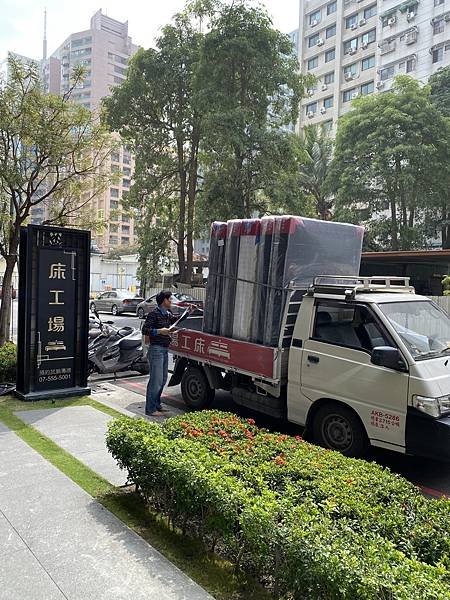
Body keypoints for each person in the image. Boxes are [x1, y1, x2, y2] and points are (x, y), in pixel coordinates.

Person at [142, 291, 195, 416]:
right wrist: (160, 331)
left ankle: (157, 404)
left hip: (164, 349)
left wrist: (188, 311)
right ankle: (150, 409)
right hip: (156, 350)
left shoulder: (167, 314)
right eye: (169, 299)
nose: (171, 301)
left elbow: (176, 320)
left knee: (163, 379)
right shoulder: (153, 314)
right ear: (164, 301)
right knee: (156, 380)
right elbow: (145, 329)